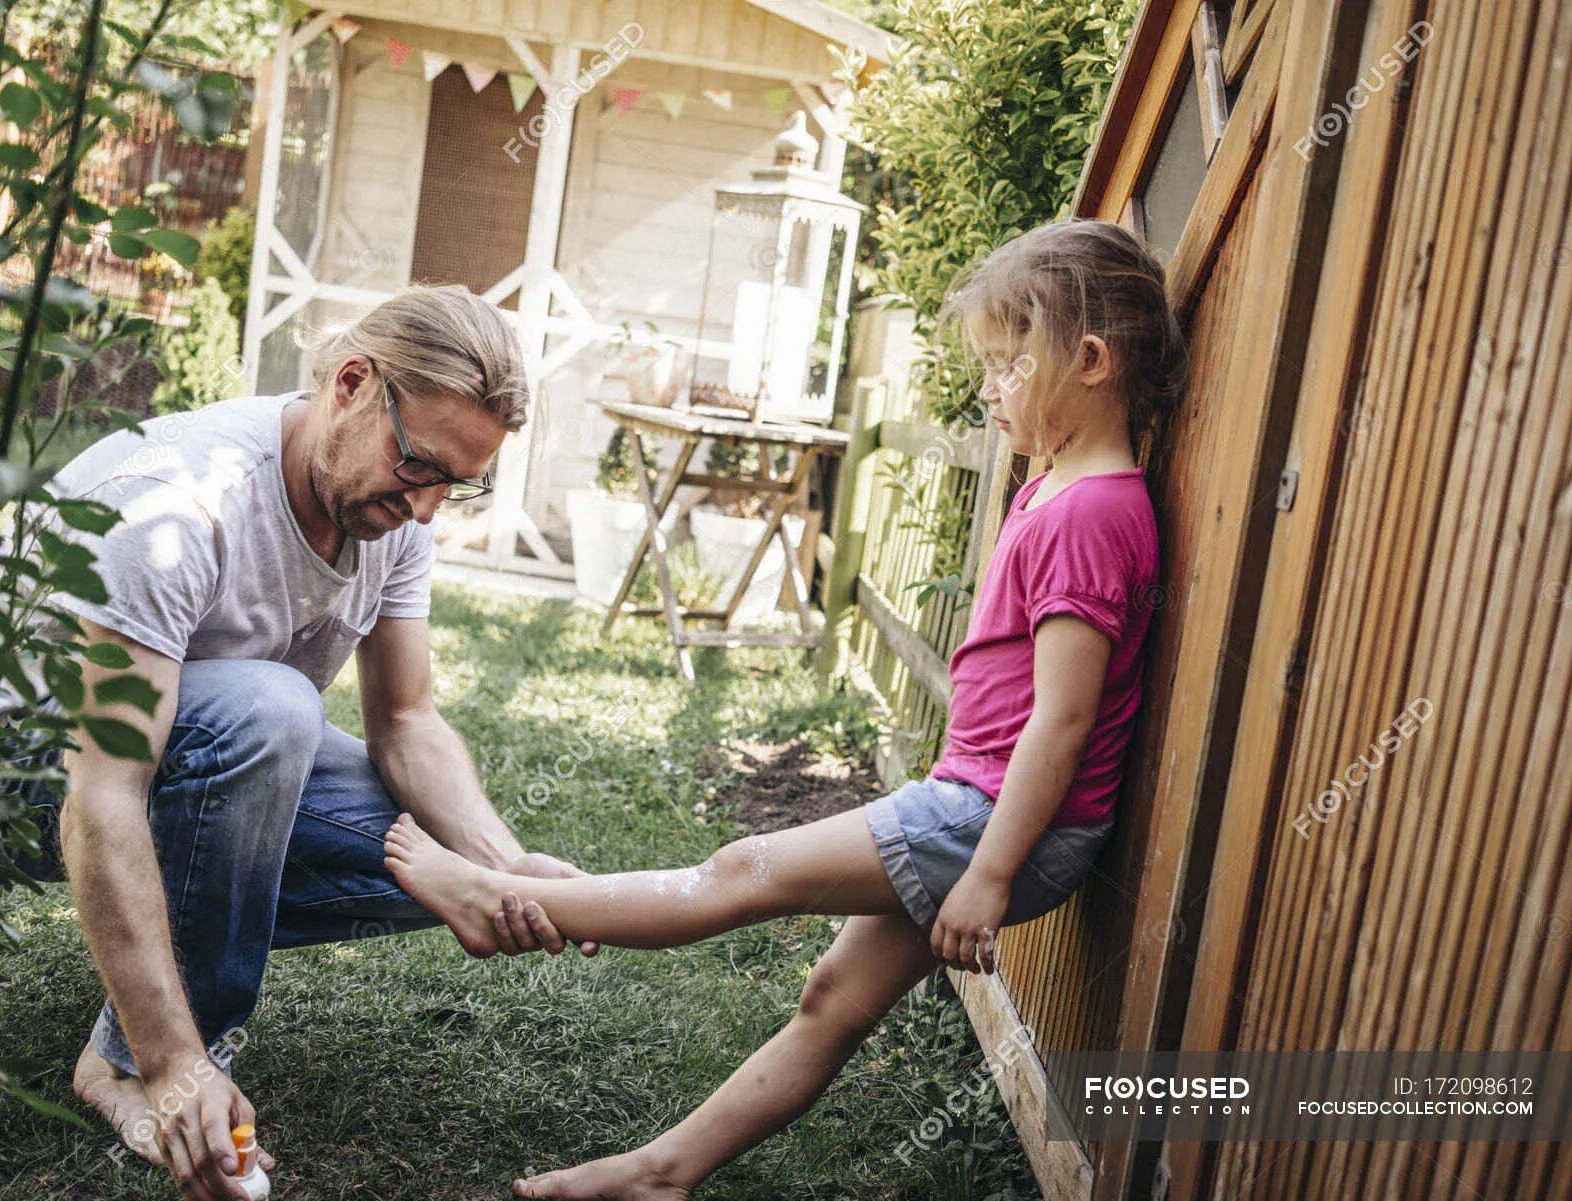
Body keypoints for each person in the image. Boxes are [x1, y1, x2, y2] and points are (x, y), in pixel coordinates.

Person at [385, 220, 1188, 1200]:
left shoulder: (1094, 515)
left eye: (1010, 365)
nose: (990, 390)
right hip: (981, 806)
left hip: (993, 820)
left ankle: (499, 895)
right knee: (834, 998)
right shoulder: (1064, 484)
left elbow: (1062, 723)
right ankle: (660, 1174)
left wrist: (988, 874)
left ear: (1092, 362)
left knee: (741, 871)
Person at [0, 286, 597, 1201]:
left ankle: (126, 1040)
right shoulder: (177, 506)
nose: (425, 510)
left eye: (454, 484)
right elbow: (102, 790)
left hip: (195, 763)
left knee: (441, 857)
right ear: (350, 383)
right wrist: (177, 1062)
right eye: (418, 465)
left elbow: (408, 722)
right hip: (23, 777)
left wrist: (504, 869)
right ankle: (152, 1062)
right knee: (273, 709)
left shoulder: (392, 512)